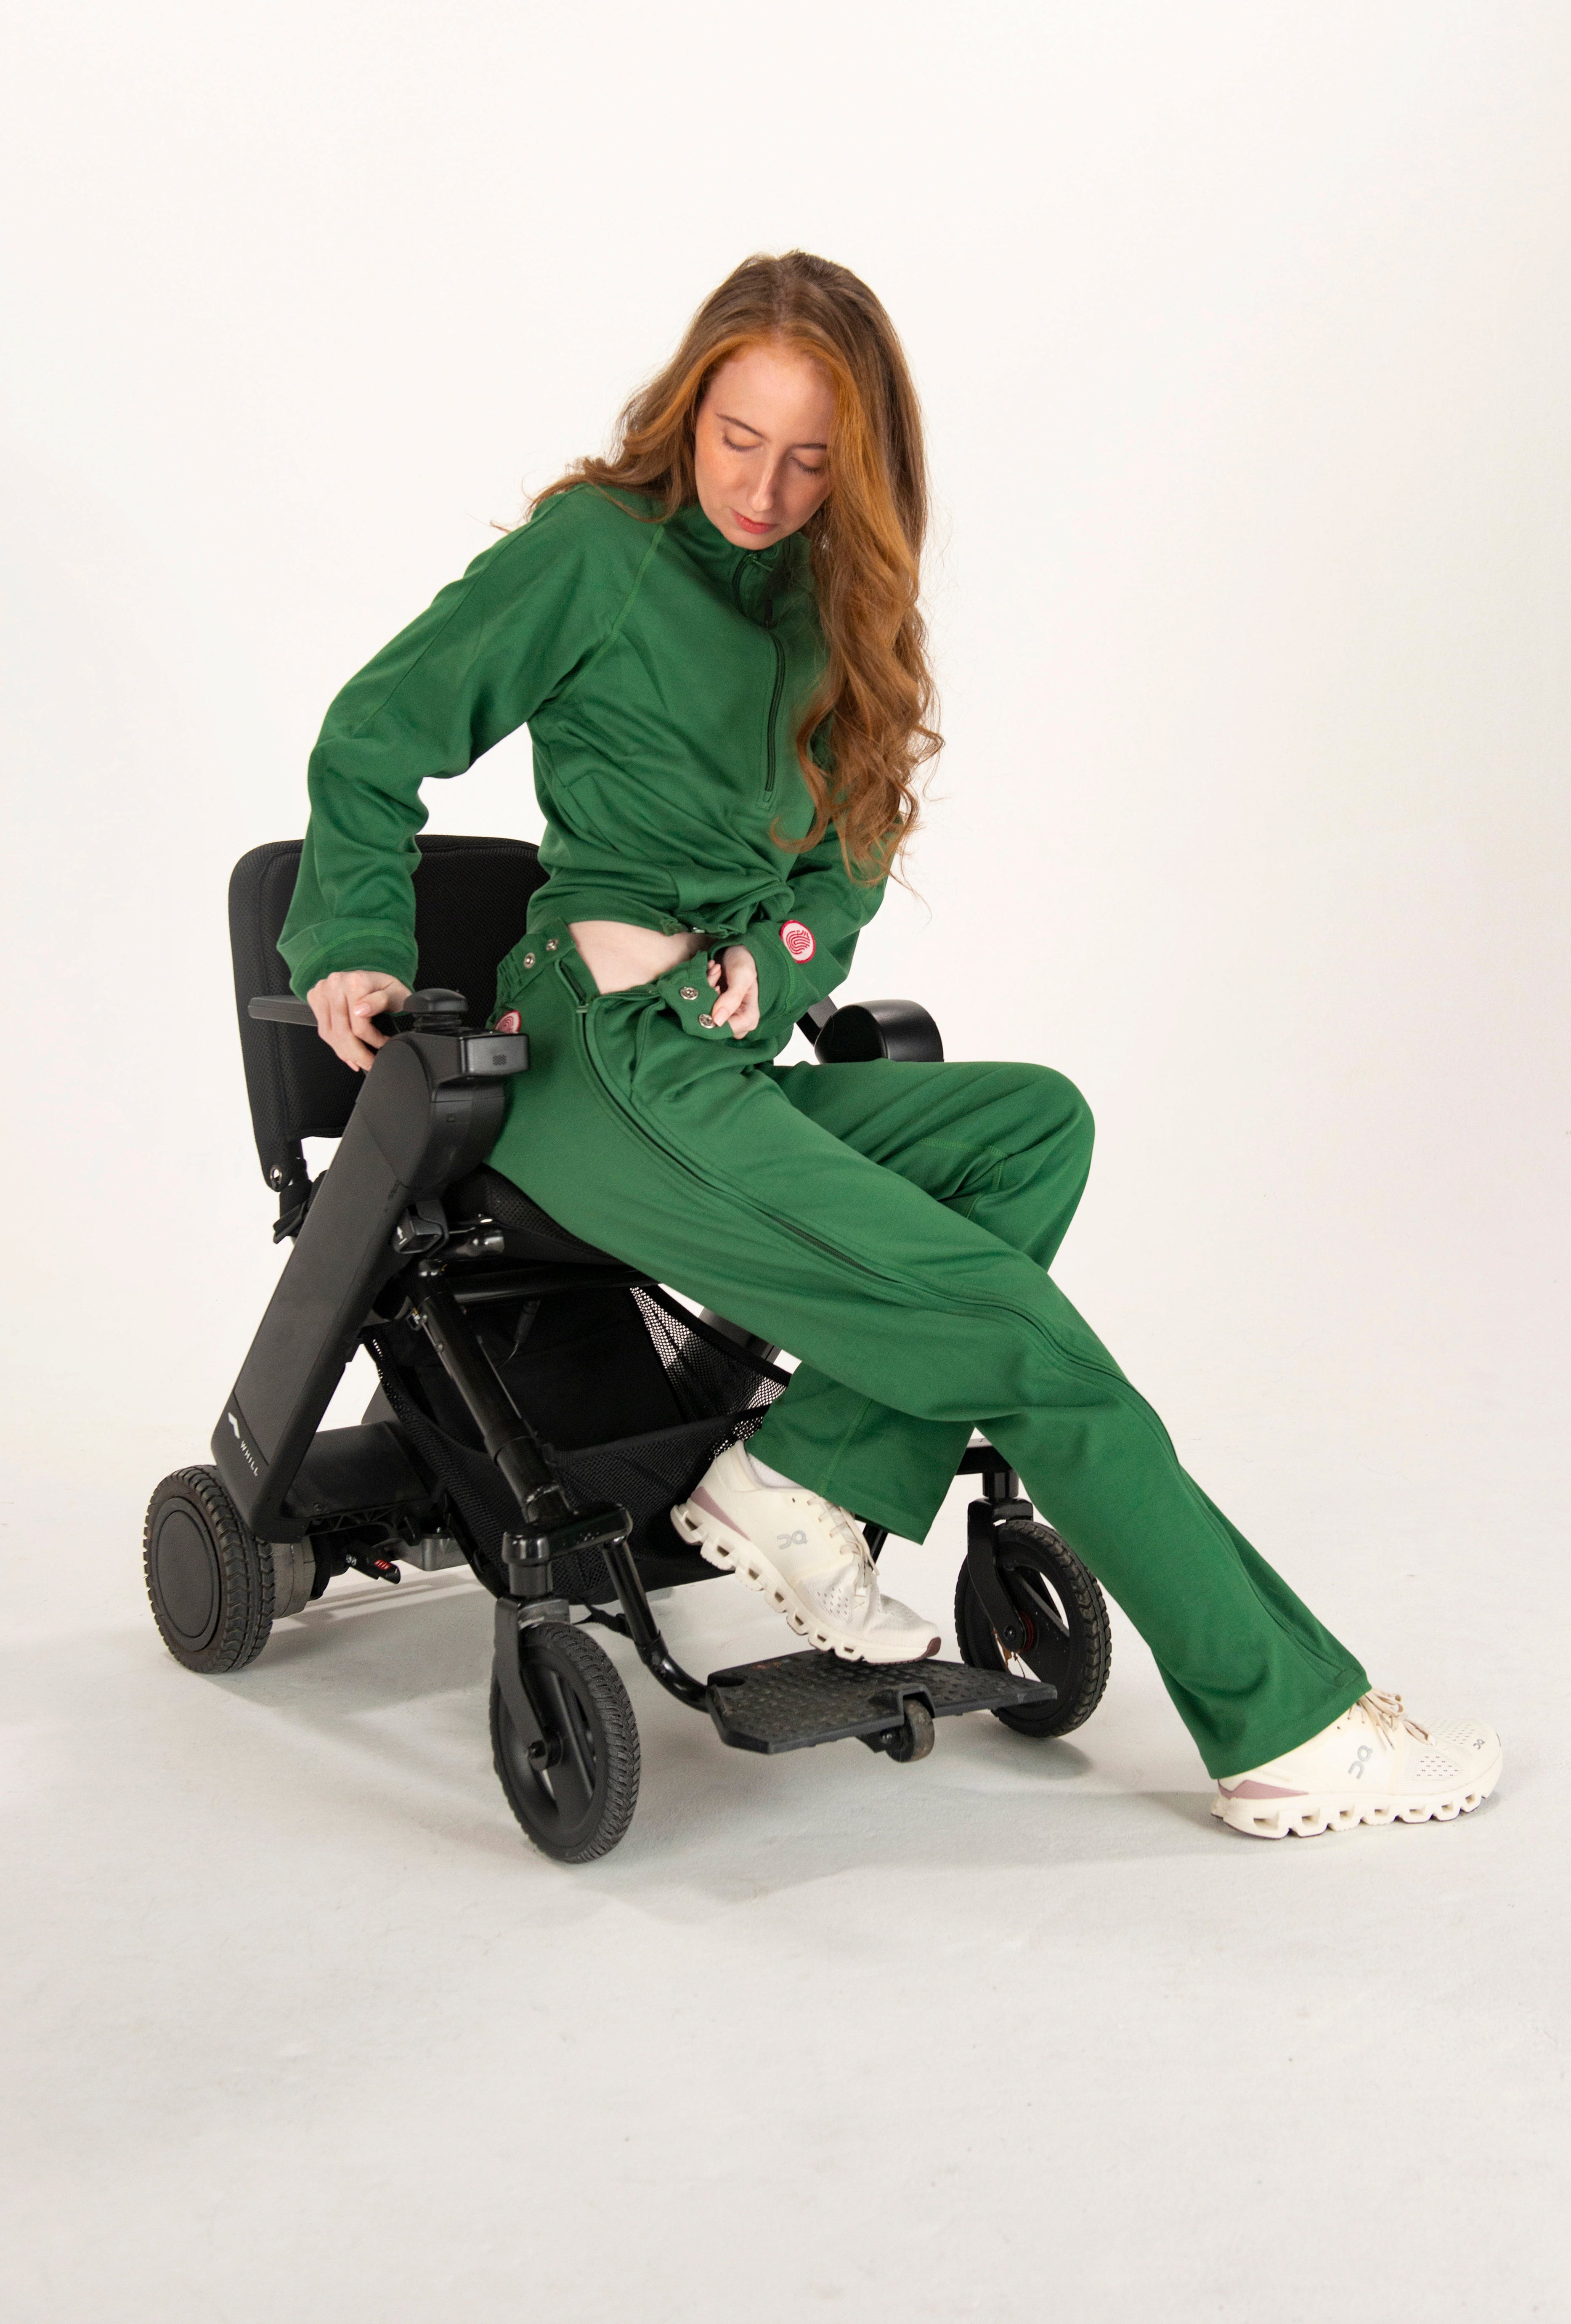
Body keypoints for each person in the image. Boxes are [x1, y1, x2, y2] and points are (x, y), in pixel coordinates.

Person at [279, 250, 1500, 1841]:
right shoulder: (596, 552)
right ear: (688, 407)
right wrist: (359, 939)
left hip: (710, 1058)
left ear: (863, 465)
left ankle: (801, 1476)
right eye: (737, 438)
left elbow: (841, 868)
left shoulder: (841, 605)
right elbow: (374, 734)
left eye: (809, 458)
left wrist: (770, 964)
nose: (766, 488)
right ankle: (1288, 1723)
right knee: (1005, 1323)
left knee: (1029, 1129)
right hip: (590, 1061)